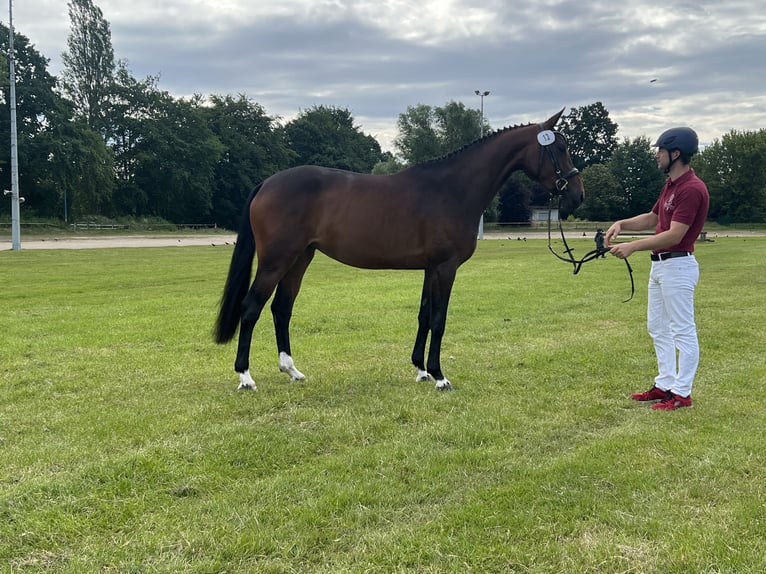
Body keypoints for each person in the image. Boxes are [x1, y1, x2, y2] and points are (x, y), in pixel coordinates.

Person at [605, 127, 709, 411]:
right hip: (662, 267)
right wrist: (622, 224)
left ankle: (682, 393)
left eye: (660, 151)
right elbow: (653, 217)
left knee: (682, 331)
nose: (656, 156)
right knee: (658, 328)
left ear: (676, 154)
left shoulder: (692, 189)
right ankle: (665, 384)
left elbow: (675, 235)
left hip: (678, 265)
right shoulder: (671, 186)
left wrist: (632, 246)